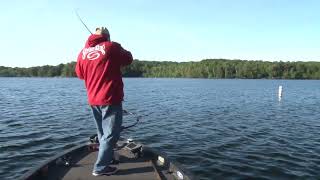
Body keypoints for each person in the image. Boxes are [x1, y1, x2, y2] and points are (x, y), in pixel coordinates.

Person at [75, 27, 133, 176]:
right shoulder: (111, 46)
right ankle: (100, 168)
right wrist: (118, 46)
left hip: (93, 99)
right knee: (111, 134)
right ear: (107, 37)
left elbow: (80, 75)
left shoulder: (82, 53)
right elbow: (128, 59)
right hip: (110, 98)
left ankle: (109, 159)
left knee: (102, 133)